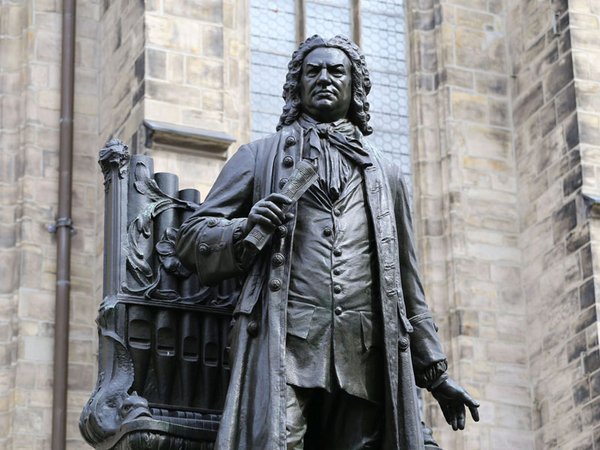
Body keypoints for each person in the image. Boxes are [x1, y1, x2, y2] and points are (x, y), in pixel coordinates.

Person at [177, 35, 479, 450]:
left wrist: (435, 373)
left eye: (337, 71)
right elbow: (192, 236)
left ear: (355, 85)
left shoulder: (386, 175)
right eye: (312, 71)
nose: (324, 78)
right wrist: (244, 229)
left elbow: (407, 283)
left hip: (365, 350)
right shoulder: (259, 156)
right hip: (285, 341)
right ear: (296, 85)